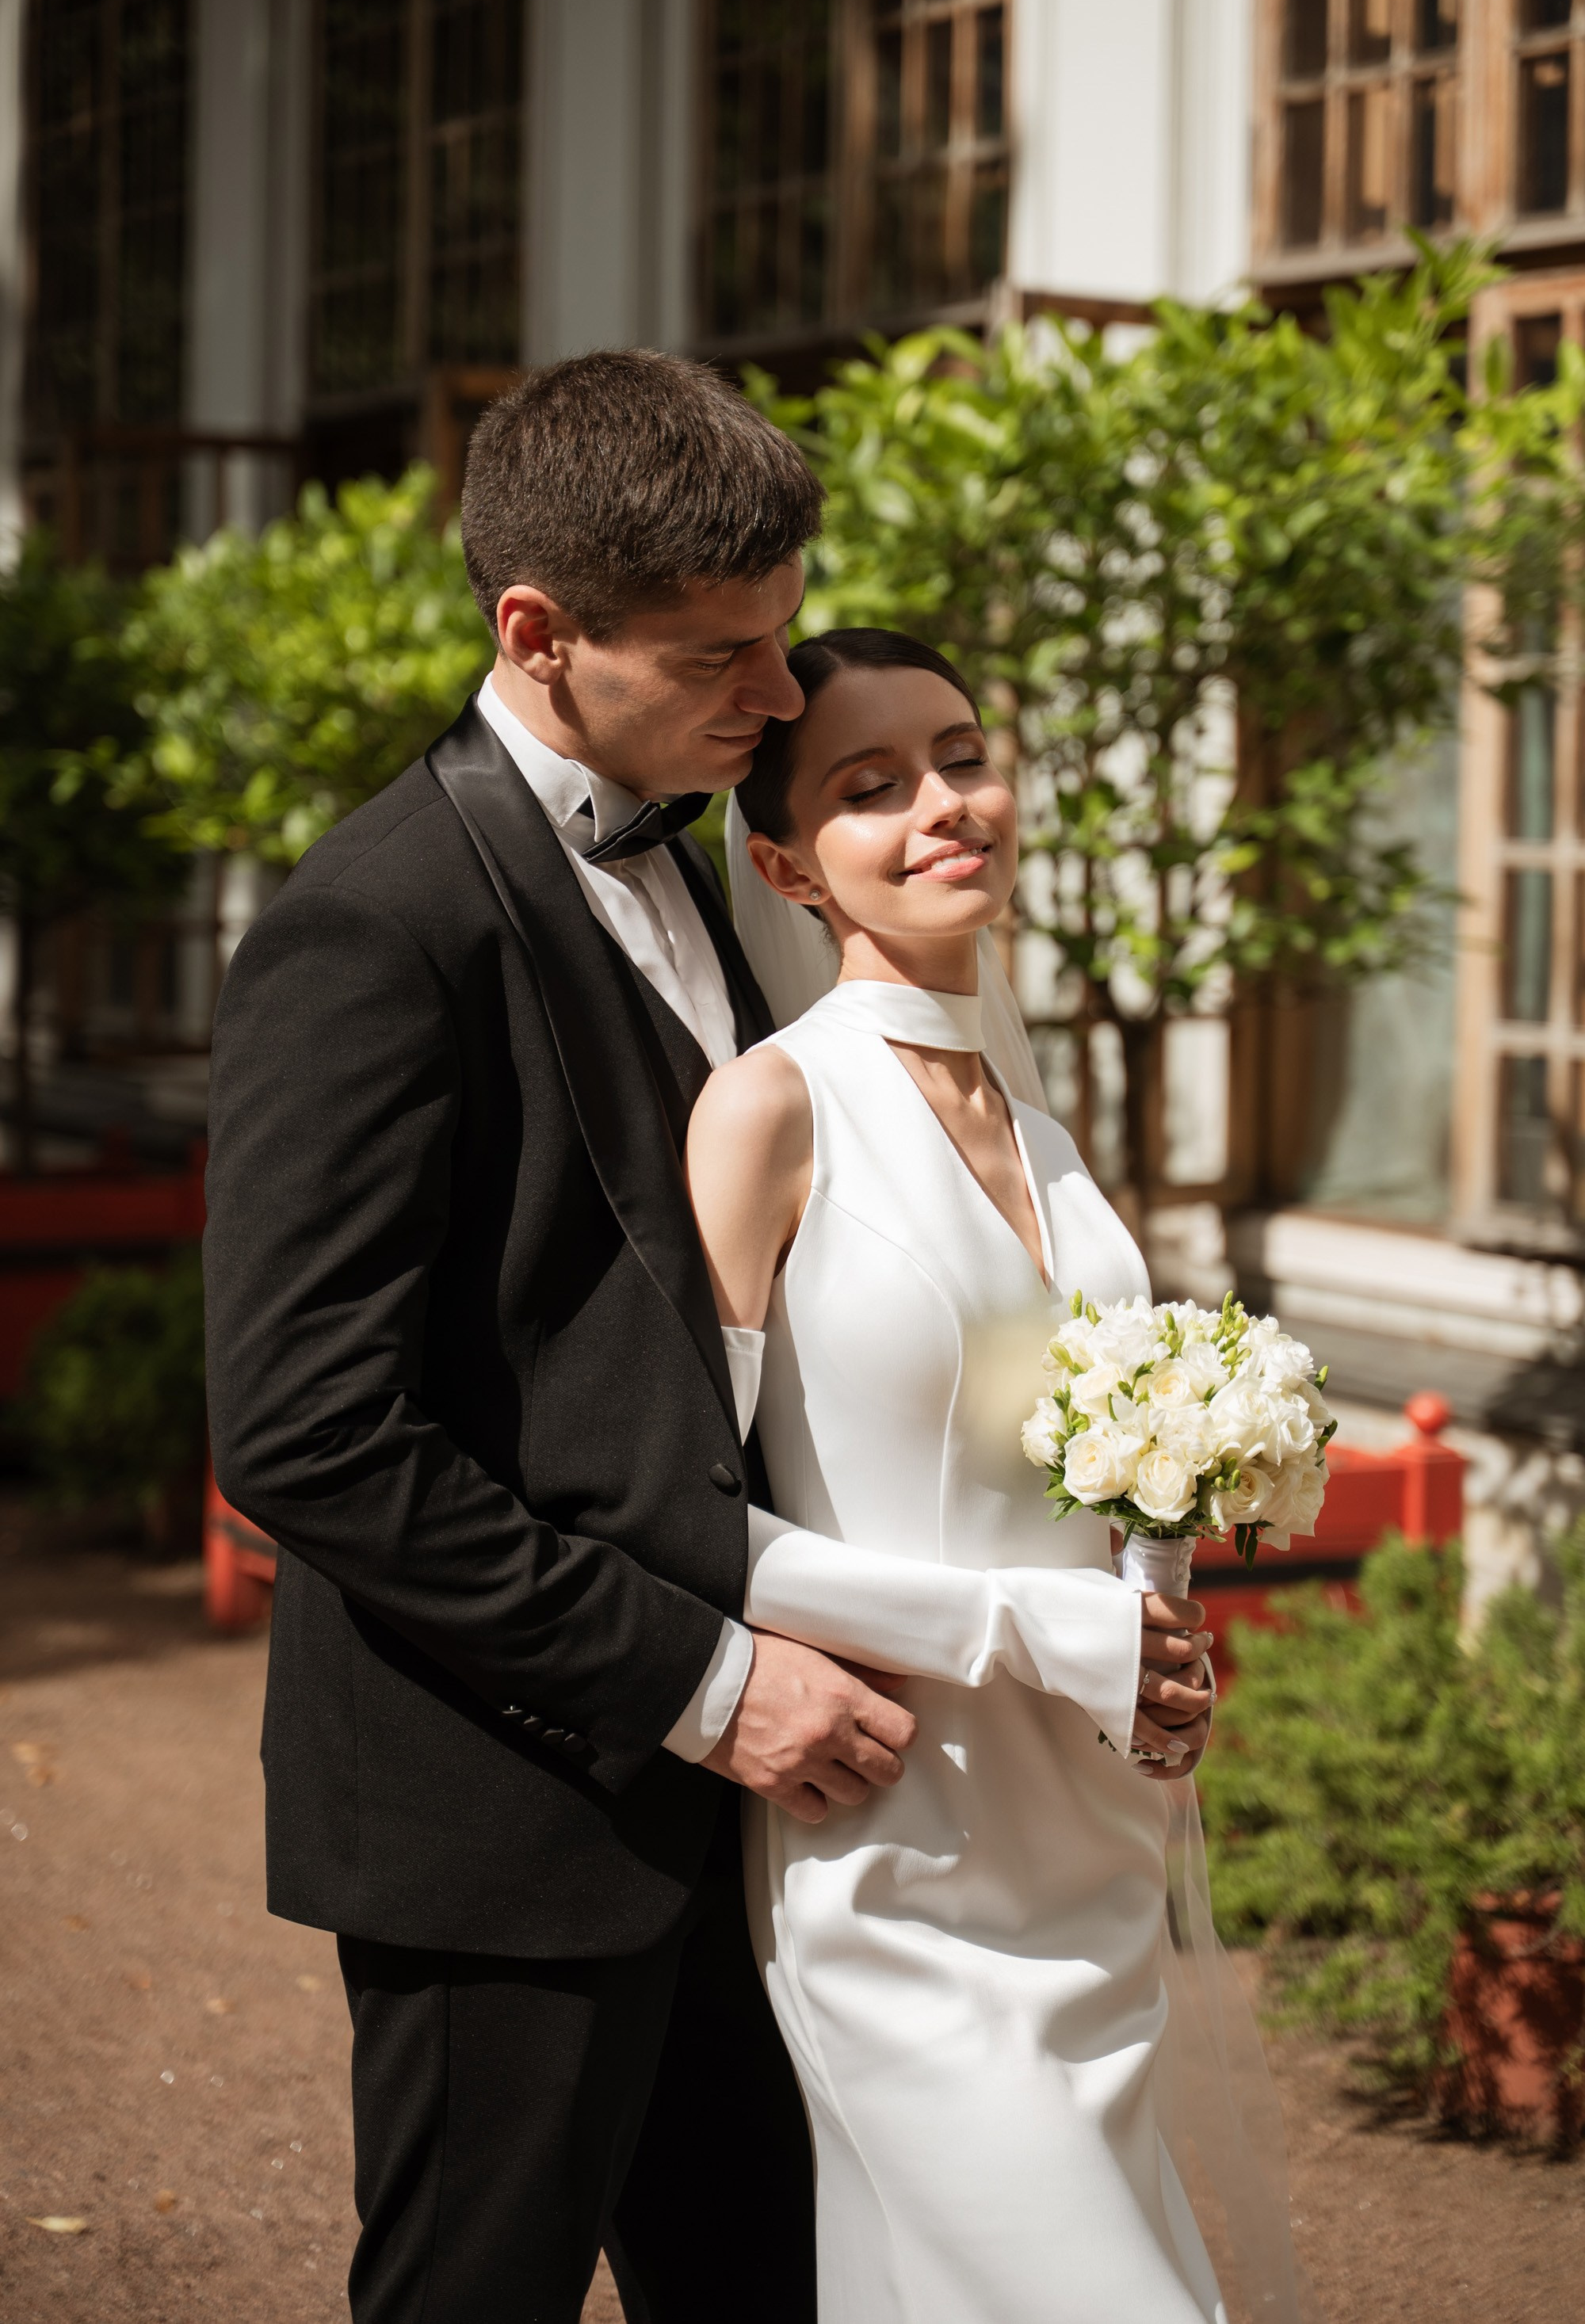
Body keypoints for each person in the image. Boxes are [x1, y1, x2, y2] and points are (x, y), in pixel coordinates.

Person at [204, 352, 1215, 2324]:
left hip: (795, 1826)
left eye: (780, 632)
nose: (775, 692)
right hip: (513, 1801)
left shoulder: (682, 854)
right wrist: (707, 1679)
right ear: (538, 635)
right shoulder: (375, 924)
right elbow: (309, 1435)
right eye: (719, 655)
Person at [685, 627, 1300, 2322]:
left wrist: (1151, 1633)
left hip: (1086, 1831)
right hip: (896, 1838)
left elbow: (1091, 1480)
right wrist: (1038, 1633)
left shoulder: (1051, 1139)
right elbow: (685, 1521)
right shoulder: (768, 1112)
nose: (944, 803)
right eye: (871, 785)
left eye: (961, 756)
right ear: (784, 865)